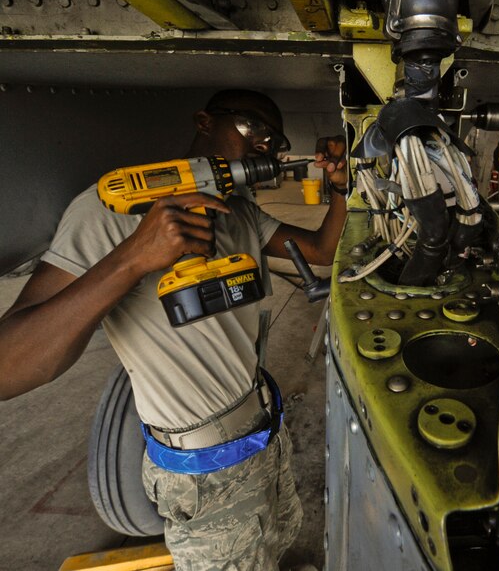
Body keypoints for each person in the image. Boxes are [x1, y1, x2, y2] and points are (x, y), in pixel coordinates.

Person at [0, 89, 349, 570]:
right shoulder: (110, 211)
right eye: (250, 128)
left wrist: (341, 189)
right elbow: (9, 367)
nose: (261, 146)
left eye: (273, 141)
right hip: (202, 473)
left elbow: (321, 251)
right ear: (204, 122)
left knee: (277, 541)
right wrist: (134, 257)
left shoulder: (238, 210)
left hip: (263, 437)